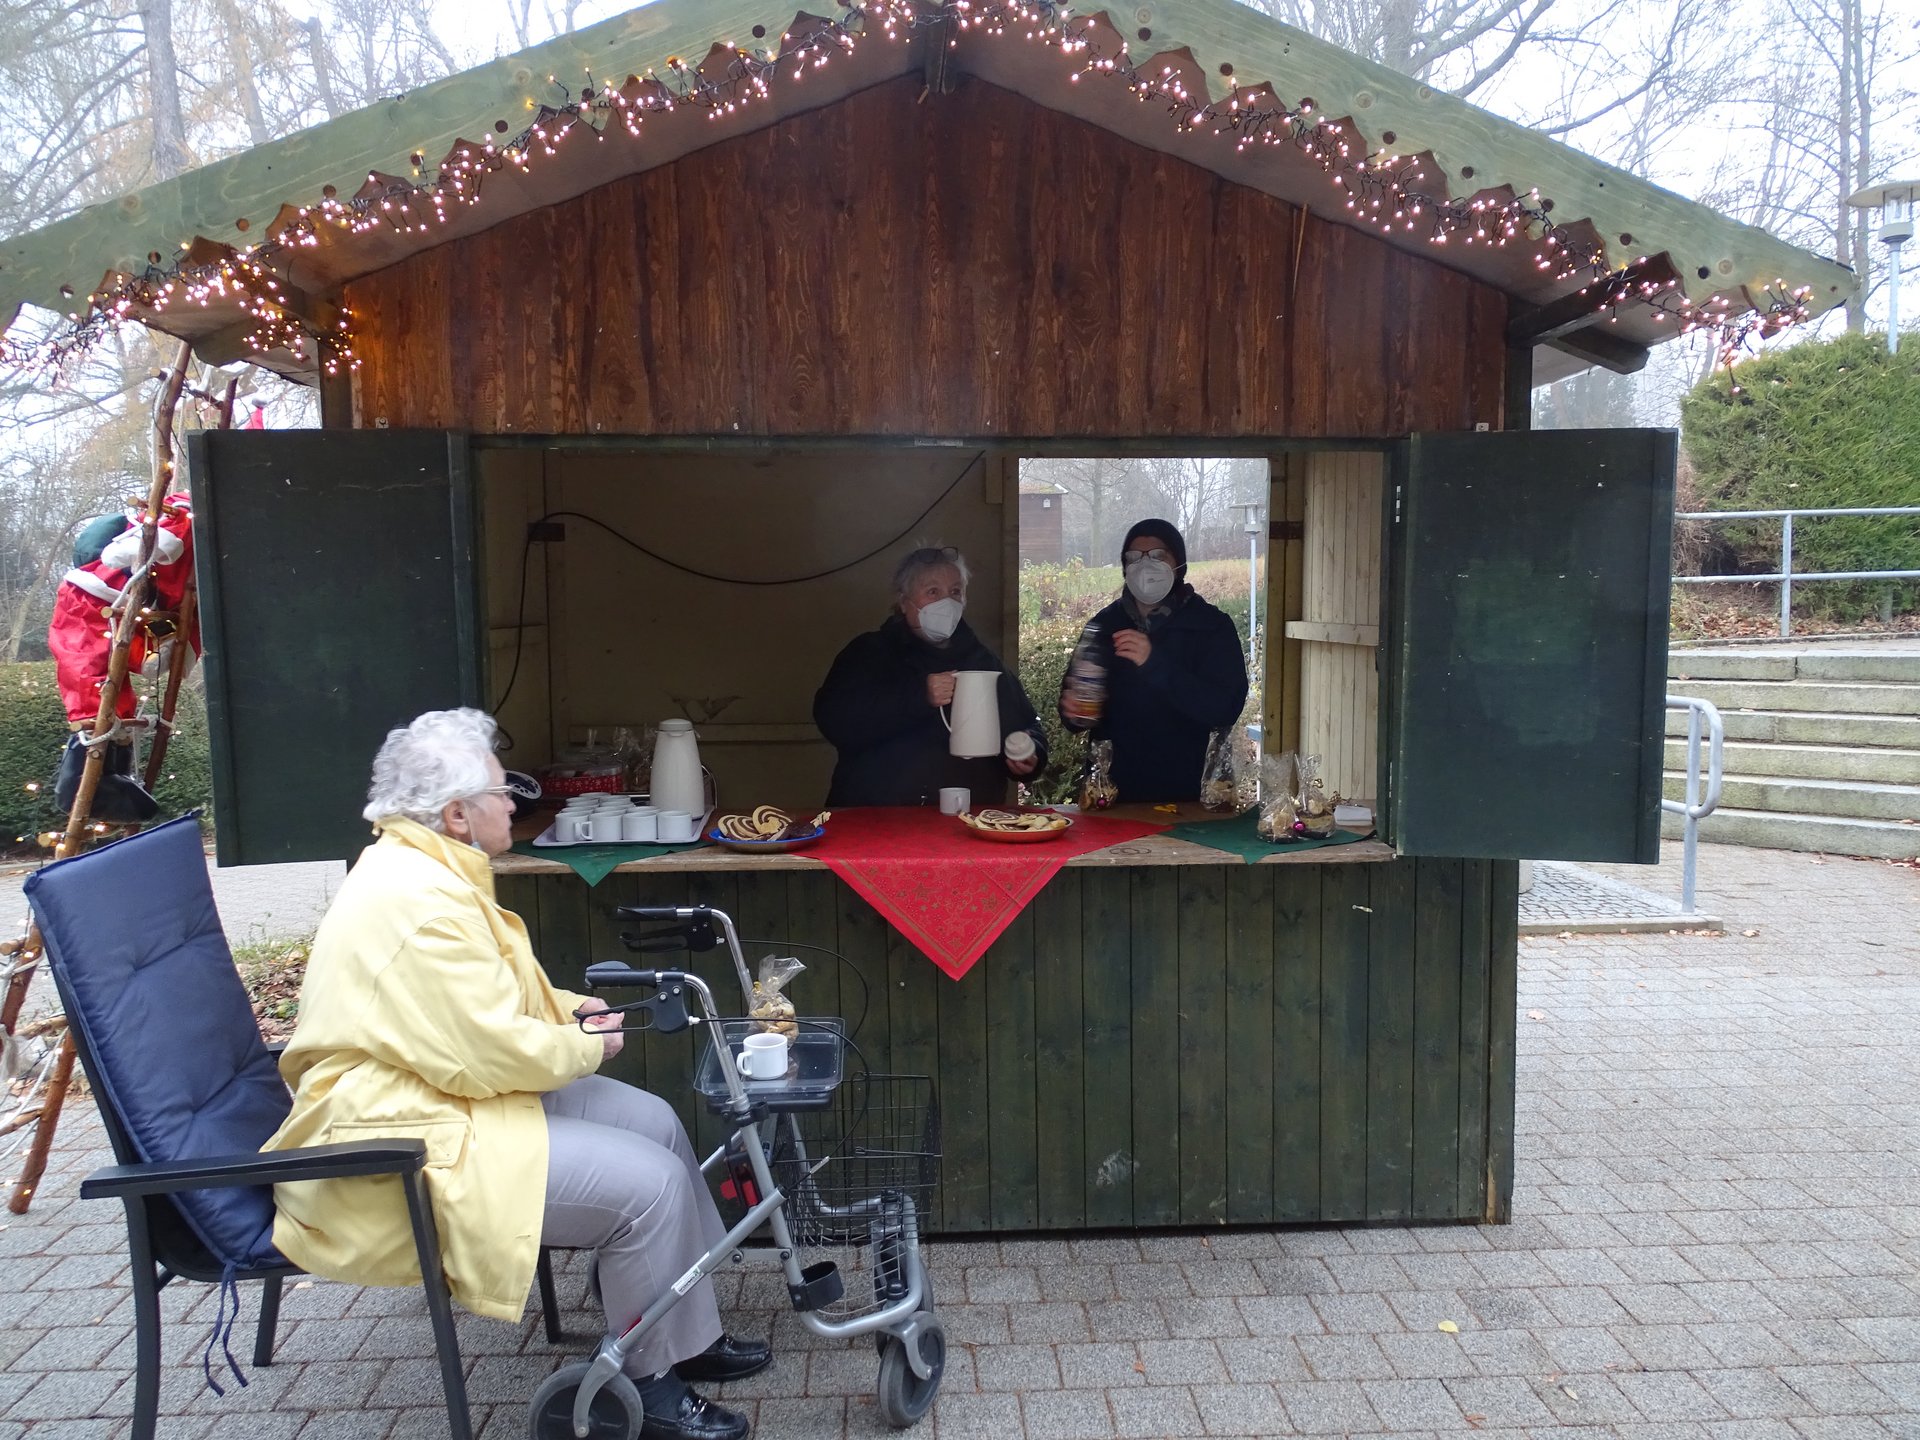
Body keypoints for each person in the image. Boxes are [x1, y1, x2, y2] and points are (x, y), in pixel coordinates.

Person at [262, 709, 761, 1440]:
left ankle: (684, 1335)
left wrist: (568, 1008)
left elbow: (479, 1002)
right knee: (646, 1187)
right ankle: (645, 1388)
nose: (515, 805)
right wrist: (587, 1045)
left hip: (438, 1092)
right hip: (400, 1130)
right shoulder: (419, 902)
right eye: (502, 793)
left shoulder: (426, 869)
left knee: (654, 1121)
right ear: (458, 814)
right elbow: (485, 1052)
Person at [815, 546, 1047, 807]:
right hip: (878, 821)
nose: (946, 602)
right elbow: (835, 720)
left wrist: (1030, 754)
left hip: (967, 822)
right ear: (904, 602)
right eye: (933, 591)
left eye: (955, 592)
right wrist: (919, 696)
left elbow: (1026, 723)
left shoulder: (981, 660)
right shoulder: (870, 653)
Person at [1058, 519, 1249, 803]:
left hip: (1192, 795)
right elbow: (1078, 709)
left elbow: (1224, 709)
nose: (1145, 566)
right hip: (1113, 796)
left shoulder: (1210, 626)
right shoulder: (1104, 626)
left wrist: (1155, 664)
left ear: (1179, 564)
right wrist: (1074, 712)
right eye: (1133, 558)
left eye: (1158, 556)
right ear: (1124, 568)